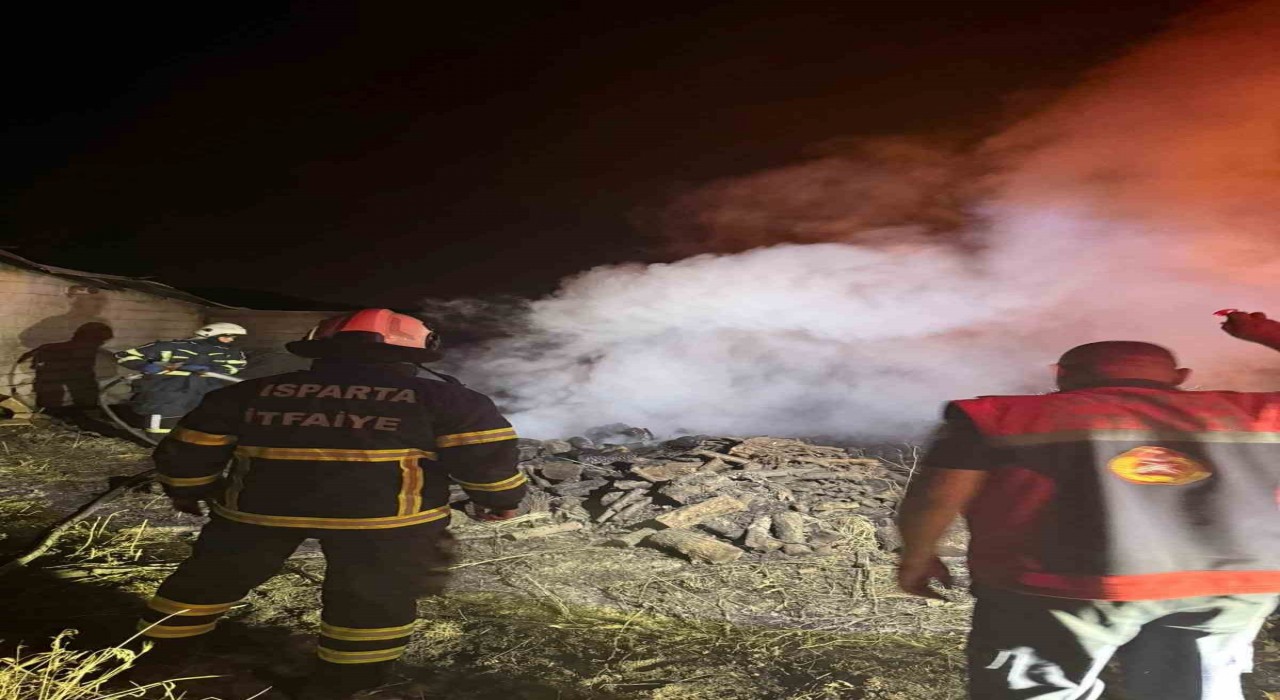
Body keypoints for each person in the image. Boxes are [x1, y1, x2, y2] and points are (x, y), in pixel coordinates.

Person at [136, 309, 526, 699]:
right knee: (373, 598)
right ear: (418, 351)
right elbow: (486, 460)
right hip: (385, 522)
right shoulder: (449, 399)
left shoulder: (248, 392)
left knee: (209, 579)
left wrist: (187, 490)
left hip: (256, 513)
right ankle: (347, 684)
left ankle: (151, 657)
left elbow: (189, 450)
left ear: (319, 347)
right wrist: (501, 500)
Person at [896, 340, 1279, 699]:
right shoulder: (1260, 413)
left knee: (1039, 689)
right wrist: (1266, 333)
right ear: (1180, 377)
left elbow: (936, 497)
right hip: (1234, 584)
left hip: (1061, 586)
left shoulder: (997, 417)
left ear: (1061, 375)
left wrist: (917, 556)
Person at [114, 323, 249, 436]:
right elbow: (125, 356)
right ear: (210, 334)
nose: (230, 340)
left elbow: (237, 365)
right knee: (163, 419)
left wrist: (213, 370)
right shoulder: (172, 347)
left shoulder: (230, 353)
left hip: (205, 388)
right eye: (226, 337)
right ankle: (155, 444)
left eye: (232, 337)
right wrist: (147, 366)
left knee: (202, 419)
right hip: (167, 389)